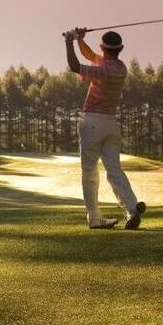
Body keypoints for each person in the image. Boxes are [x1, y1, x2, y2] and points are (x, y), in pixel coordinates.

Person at [64, 27, 146, 230]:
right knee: (114, 169)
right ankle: (132, 209)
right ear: (120, 49)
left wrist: (68, 41)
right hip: (110, 124)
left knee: (89, 171)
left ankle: (94, 218)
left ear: (102, 47)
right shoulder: (120, 68)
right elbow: (90, 55)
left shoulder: (102, 70)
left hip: (92, 122)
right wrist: (80, 40)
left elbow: (75, 66)